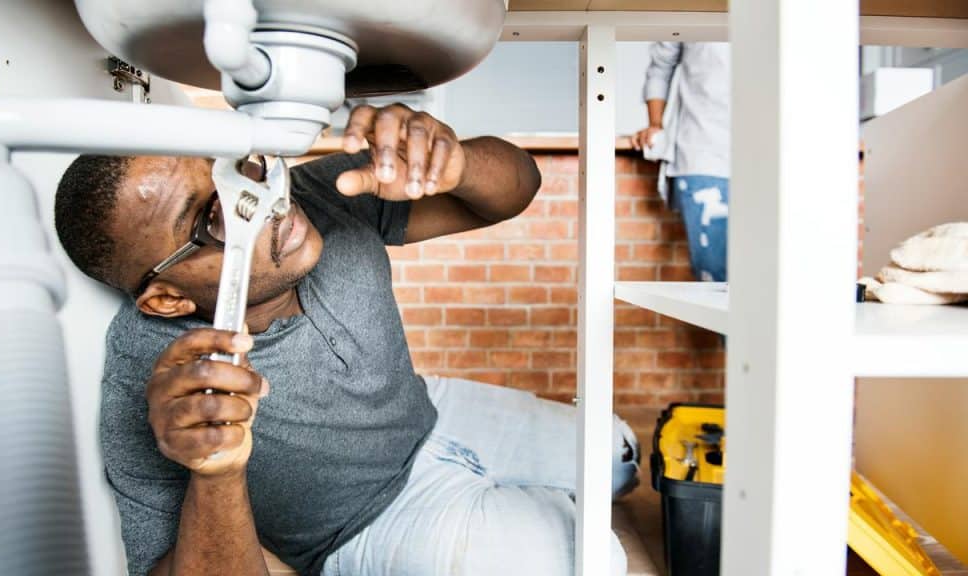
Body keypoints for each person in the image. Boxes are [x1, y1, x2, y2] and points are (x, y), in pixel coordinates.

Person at [54, 103, 640, 576]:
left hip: (428, 411)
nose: (266, 204)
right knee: (590, 558)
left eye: (236, 171)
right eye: (214, 215)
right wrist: (215, 470)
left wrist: (456, 161)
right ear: (168, 299)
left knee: (619, 457)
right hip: (366, 521)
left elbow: (518, 187)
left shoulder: (322, 193)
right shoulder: (152, 374)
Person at [629, 42, 730, 282]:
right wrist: (655, 124)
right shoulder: (690, 7)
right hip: (702, 155)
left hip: (772, 159)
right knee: (714, 278)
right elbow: (660, 67)